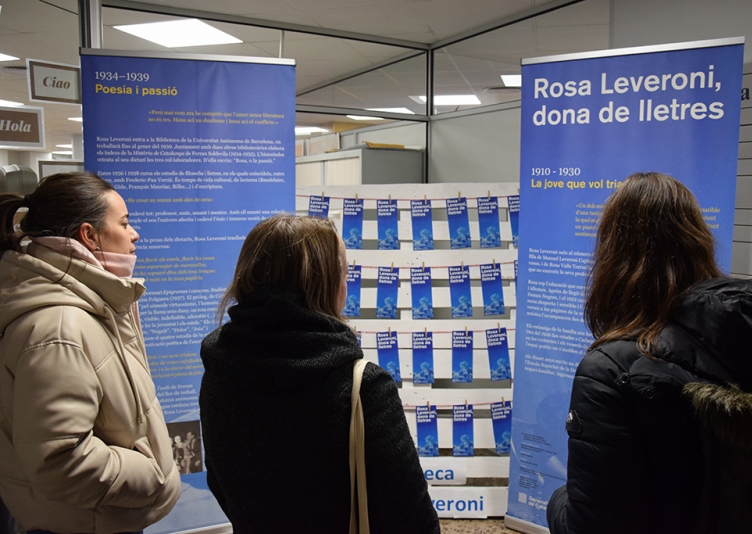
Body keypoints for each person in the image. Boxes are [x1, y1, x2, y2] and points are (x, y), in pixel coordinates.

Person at [547, 172, 752, 534]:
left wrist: (559, 499)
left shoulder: (614, 368)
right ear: (699, 241)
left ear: (611, 256)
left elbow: (590, 525)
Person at [199, 214, 439, 534]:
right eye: (344, 273)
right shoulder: (362, 387)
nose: (346, 284)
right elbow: (412, 520)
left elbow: (220, 482)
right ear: (326, 284)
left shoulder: (219, 371)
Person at [0, 172, 180, 533]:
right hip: (80, 524)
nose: (134, 234)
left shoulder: (87, 305)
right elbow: (61, 462)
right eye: (124, 223)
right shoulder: (59, 327)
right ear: (89, 235)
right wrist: (151, 473)